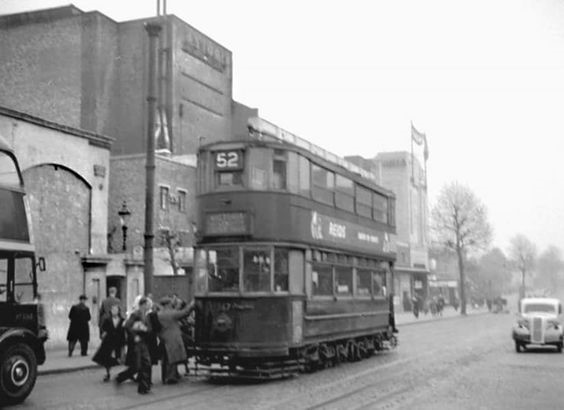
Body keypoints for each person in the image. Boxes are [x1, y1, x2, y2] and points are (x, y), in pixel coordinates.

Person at [115, 296, 152, 395]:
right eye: (148, 304)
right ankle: (120, 378)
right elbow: (127, 325)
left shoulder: (145, 315)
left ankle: (144, 387)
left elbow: (149, 328)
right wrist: (134, 335)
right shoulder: (136, 314)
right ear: (143, 304)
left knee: (146, 363)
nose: (149, 306)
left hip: (143, 342)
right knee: (138, 365)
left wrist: (146, 329)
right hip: (137, 343)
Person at [157, 296, 195, 384]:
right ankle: (171, 377)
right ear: (167, 304)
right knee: (172, 358)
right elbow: (184, 313)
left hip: (164, 337)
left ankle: (165, 377)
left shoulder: (159, 313)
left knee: (165, 359)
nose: (171, 305)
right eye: (170, 303)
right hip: (172, 338)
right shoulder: (170, 313)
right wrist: (192, 305)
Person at [92, 304, 125, 382]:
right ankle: (108, 373)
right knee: (107, 359)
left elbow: (124, 332)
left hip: (118, 341)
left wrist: (124, 343)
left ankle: (123, 374)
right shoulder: (107, 319)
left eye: (116, 310)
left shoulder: (122, 320)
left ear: (118, 311)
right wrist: (103, 335)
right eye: (113, 310)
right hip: (109, 341)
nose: (114, 311)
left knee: (119, 358)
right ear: (111, 311)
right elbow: (104, 329)